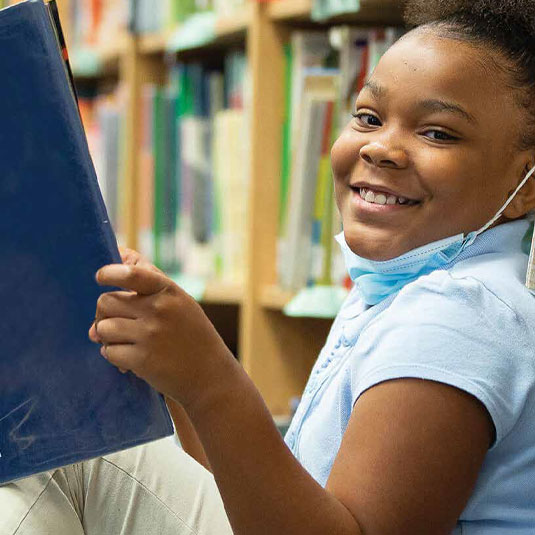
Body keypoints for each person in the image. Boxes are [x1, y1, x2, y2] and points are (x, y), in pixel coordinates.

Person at [3, 0, 535, 533]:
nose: (381, 148)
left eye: (438, 133)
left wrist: (211, 380)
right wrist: (171, 375)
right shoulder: (406, 287)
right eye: (369, 117)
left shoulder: (457, 317)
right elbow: (256, 501)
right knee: (55, 435)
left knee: (47, 459)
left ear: (526, 185)